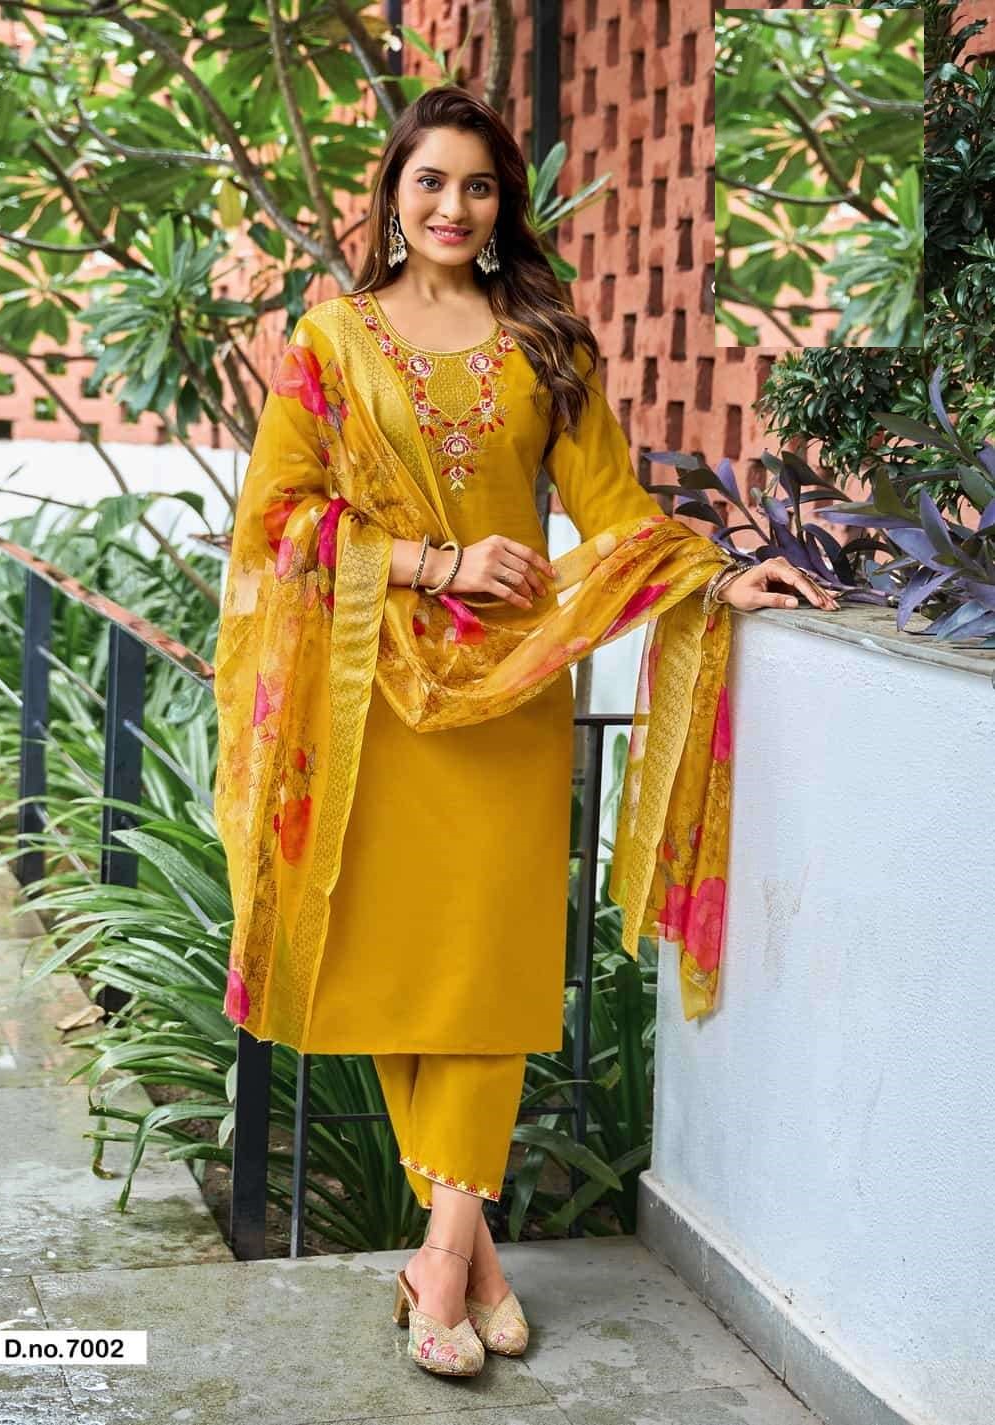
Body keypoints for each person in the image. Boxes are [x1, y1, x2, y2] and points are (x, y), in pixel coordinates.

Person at [211, 85, 837, 1380]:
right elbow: (276, 520)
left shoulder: (546, 342)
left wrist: (719, 579)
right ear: (393, 194)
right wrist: (433, 561)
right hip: (379, 694)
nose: (453, 205)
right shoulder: (330, 343)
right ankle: (473, 1259)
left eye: (478, 185)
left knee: (489, 971)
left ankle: (439, 1259)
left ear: (505, 205)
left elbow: (611, 509)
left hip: (513, 692)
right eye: (430, 181)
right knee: (397, 967)